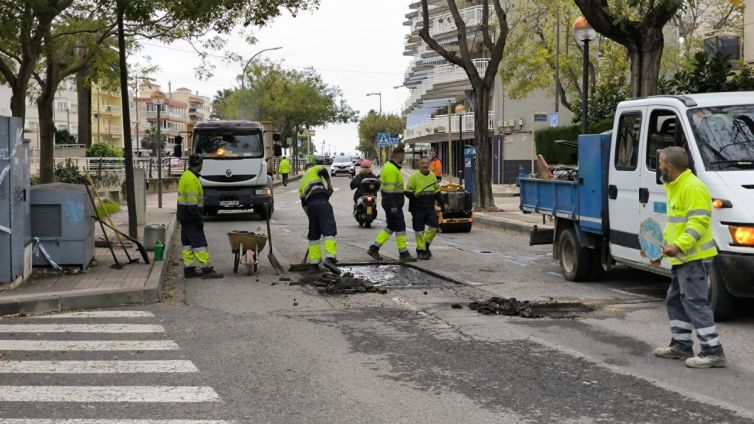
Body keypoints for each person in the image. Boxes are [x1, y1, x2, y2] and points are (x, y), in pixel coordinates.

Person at [651, 146, 725, 368]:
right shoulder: (675, 186)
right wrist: (659, 251)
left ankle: (713, 352)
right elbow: (674, 227)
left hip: (693, 258)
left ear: (670, 166)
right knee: (676, 300)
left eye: (661, 163)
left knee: (695, 303)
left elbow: (698, 223)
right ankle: (681, 346)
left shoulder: (691, 187)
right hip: (682, 258)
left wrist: (680, 246)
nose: (659, 167)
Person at [177, 154, 223, 279]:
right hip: (191, 217)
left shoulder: (185, 176)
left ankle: (189, 269)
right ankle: (206, 269)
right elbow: (192, 205)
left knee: (187, 244)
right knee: (199, 243)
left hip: (183, 216)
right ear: (200, 164)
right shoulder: (192, 179)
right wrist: (198, 220)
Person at [368, 145, 415, 262]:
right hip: (392, 204)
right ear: (400, 156)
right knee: (400, 227)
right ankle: (403, 253)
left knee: (391, 227)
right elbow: (389, 191)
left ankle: (374, 248)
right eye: (404, 156)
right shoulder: (391, 169)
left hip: (392, 203)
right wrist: (393, 206)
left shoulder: (391, 168)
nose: (404, 158)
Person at [299, 156, 337, 272]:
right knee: (329, 230)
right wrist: (329, 185)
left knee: (314, 235)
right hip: (323, 203)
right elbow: (324, 171)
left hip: (311, 207)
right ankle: (330, 259)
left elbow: (304, 204)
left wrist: (311, 217)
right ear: (310, 168)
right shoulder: (314, 168)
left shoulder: (301, 183)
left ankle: (313, 264)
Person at [406, 157, 447, 260]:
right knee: (419, 231)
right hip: (417, 208)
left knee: (434, 227)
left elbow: (437, 192)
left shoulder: (433, 177)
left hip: (429, 207)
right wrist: (413, 194)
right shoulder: (414, 177)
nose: (425, 165)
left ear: (429, 165)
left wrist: (443, 203)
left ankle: (425, 246)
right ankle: (421, 251)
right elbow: (406, 192)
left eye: (426, 163)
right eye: (422, 163)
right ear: (419, 164)